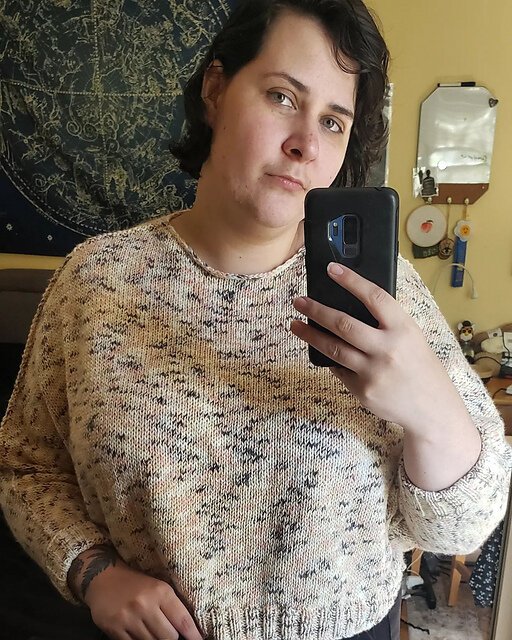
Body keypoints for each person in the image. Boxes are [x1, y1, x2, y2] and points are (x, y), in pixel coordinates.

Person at [1, 1, 511, 639]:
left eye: (333, 121)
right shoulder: (95, 283)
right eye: (281, 97)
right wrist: (93, 572)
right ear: (216, 89)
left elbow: (460, 527)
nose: (305, 144)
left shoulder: (391, 294)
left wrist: (431, 411)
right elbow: (26, 467)